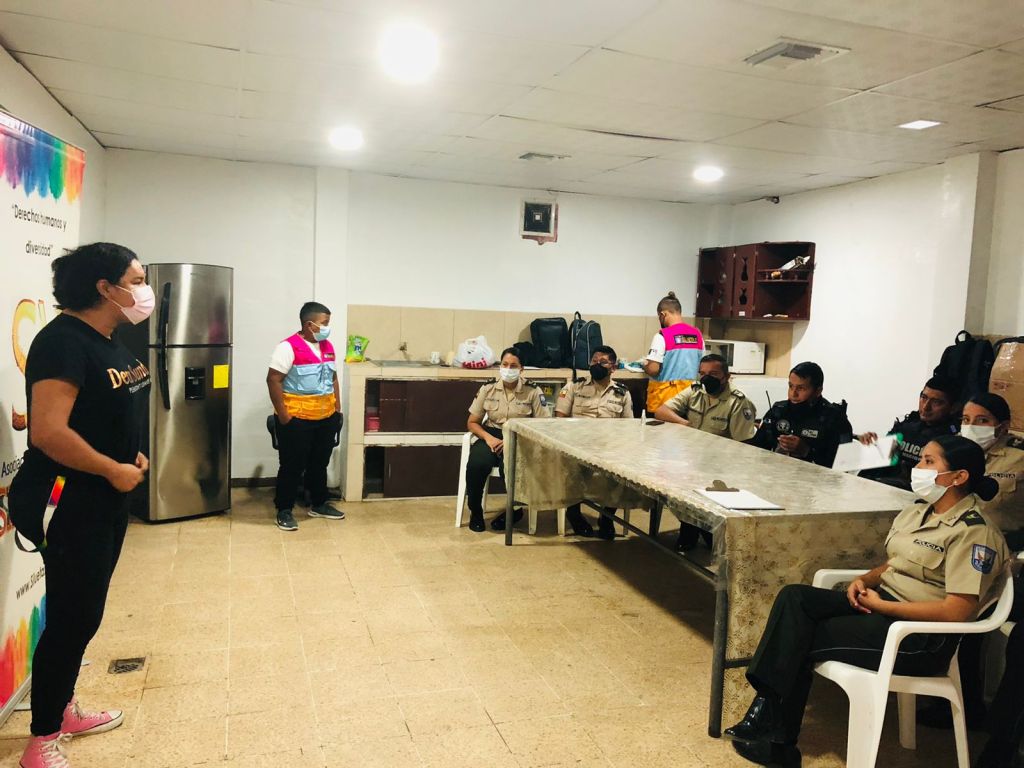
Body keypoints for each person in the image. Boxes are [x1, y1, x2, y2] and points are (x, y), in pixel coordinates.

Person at [725, 435, 1009, 767]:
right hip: (884, 606)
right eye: (921, 459)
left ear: (958, 477)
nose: (918, 466)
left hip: (919, 638)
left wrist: (883, 606)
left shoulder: (975, 533)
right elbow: (897, 563)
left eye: (929, 462)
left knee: (800, 635)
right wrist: (864, 580)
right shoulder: (919, 512)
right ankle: (768, 711)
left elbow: (957, 611)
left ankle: (777, 741)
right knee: (795, 598)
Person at [8, 243, 152, 768]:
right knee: (73, 617)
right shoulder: (62, 343)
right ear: (104, 288)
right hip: (66, 498)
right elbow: (48, 432)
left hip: (102, 495)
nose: (143, 290)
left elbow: (101, 411)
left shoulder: (109, 338)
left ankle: (61, 706)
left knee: (83, 613)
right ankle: (42, 739)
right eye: (135, 280)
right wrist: (112, 468)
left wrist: (128, 455)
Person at [917, 392, 1024, 731]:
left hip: (997, 553)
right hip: (948, 547)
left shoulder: (1018, 461)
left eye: (981, 421)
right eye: (966, 419)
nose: (971, 426)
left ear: (1002, 427)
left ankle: (967, 704)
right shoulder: (948, 455)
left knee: (966, 618)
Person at [655, 353, 757, 550]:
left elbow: (745, 447)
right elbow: (661, 411)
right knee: (677, 492)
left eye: (713, 374)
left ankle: (706, 532)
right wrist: (685, 424)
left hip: (721, 467)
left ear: (727, 377)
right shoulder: (695, 391)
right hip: (690, 461)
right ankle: (690, 530)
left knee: (713, 538)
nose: (706, 378)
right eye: (702, 373)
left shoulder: (738, 402)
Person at [267, 301, 344, 531]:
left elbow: (333, 378)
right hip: (297, 419)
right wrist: (283, 416)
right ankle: (284, 509)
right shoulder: (287, 347)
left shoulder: (327, 346)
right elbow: (273, 380)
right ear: (310, 325)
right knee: (292, 465)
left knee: (319, 463)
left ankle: (318, 503)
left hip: (326, 417)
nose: (327, 328)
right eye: (324, 323)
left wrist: (337, 408)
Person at [465, 347, 547, 532]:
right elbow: (472, 422)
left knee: (509, 467)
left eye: (513, 366)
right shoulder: (488, 388)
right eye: (505, 364)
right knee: (477, 464)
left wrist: (515, 439)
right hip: (492, 435)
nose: (508, 369)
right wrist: (488, 438)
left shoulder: (533, 391)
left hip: (520, 437)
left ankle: (515, 511)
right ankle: (475, 511)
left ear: (521, 369)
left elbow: (542, 426)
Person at [555, 344, 632, 539]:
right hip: (577, 445)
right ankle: (574, 514)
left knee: (621, 473)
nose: (597, 365)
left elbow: (628, 427)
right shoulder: (574, 387)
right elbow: (559, 419)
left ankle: (606, 517)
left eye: (603, 362)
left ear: (613, 368)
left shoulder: (622, 393)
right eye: (594, 361)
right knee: (572, 468)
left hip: (609, 448)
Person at [859, 376, 960, 490]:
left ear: (954, 407)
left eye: (936, 402)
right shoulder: (907, 425)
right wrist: (871, 446)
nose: (926, 407)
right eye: (924, 397)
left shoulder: (954, 439)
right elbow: (878, 463)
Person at [750, 361, 852, 468]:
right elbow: (757, 448)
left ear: (818, 391)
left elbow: (843, 465)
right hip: (776, 472)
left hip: (815, 477)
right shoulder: (778, 411)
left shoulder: (835, 419)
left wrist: (806, 451)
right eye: (791, 386)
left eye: (801, 388)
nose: (793, 394)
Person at [643, 291, 704, 414]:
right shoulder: (697, 335)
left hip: (665, 402)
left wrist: (645, 365)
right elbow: (702, 367)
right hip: (691, 399)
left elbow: (653, 369)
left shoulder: (662, 336)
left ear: (663, 314)